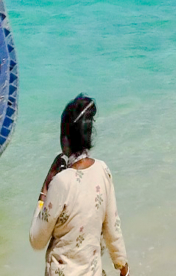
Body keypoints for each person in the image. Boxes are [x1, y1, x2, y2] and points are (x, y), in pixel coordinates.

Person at [29, 95, 129, 276]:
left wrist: (45, 189)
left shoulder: (60, 183)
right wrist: (122, 267)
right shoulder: (102, 170)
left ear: (65, 139)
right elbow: (112, 228)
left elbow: (36, 240)